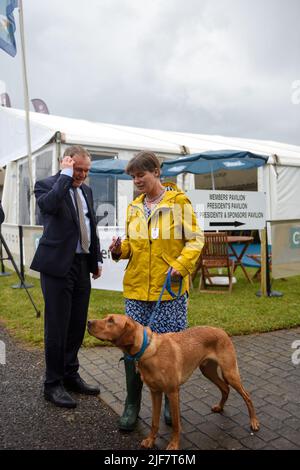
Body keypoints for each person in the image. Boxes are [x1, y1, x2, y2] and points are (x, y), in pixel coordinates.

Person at [109, 150, 204, 431]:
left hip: (168, 290)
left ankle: (169, 403)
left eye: (142, 174)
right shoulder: (134, 208)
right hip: (137, 290)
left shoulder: (179, 202)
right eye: (134, 176)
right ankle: (132, 404)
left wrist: (180, 264)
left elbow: (196, 240)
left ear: (156, 172)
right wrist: (119, 249)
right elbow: (131, 246)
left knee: (168, 350)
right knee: (131, 348)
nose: (137, 180)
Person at [31, 145, 102, 408]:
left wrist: (95, 260)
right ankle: (53, 383)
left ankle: (71, 374)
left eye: (86, 170)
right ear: (68, 164)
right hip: (56, 266)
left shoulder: (86, 190)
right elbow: (48, 207)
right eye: (78, 169)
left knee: (76, 324)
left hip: (81, 264)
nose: (82, 175)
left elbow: (90, 226)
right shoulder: (46, 184)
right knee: (57, 326)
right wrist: (64, 176)